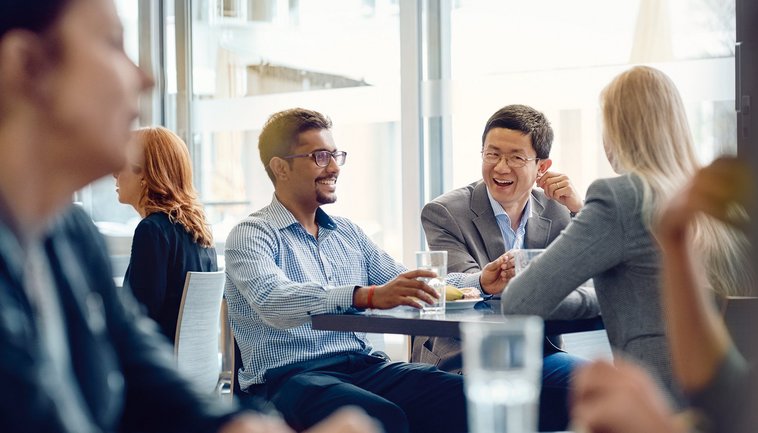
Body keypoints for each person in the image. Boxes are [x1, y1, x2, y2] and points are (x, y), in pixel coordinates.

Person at [0, 1, 378, 432]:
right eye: (112, 43)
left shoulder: (70, 231)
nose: (146, 78)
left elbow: (140, 363)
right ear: (28, 67)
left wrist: (238, 425)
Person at [225, 107, 512, 433]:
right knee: (382, 417)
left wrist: (481, 282)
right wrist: (367, 296)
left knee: (462, 397)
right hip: (289, 378)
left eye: (336, 155)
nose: (334, 167)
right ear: (281, 168)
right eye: (320, 156)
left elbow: (406, 282)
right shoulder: (252, 233)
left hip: (363, 366)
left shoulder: (348, 233)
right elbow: (272, 300)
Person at [500, 66, 753, 405]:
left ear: (616, 132)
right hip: (737, 410)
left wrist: (589, 297)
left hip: (659, 407)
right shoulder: (714, 200)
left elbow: (520, 301)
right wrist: (598, 298)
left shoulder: (623, 197)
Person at [411, 104, 596, 431]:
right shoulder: (444, 212)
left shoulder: (559, 212)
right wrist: (485, 279)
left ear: (542, 166)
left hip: (537, 351)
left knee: (606, 387)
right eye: (492, 154)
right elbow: (458, 287)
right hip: (465, 354)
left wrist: (580, 211)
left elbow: (589, 274)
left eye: (515, 157)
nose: (500, 167)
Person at [570, 157, 756, 433]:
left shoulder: (618, 198)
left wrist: (659, 427)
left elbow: (523, 299)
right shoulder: (682, 206)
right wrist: (674, 237)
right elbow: (730, 398)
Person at [114, 126, 218, 341]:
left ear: (144, 173)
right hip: (190, 368)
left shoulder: (152, 231)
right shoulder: (200, 232)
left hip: (156, 366)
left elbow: (140, 319)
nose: (114, 174)